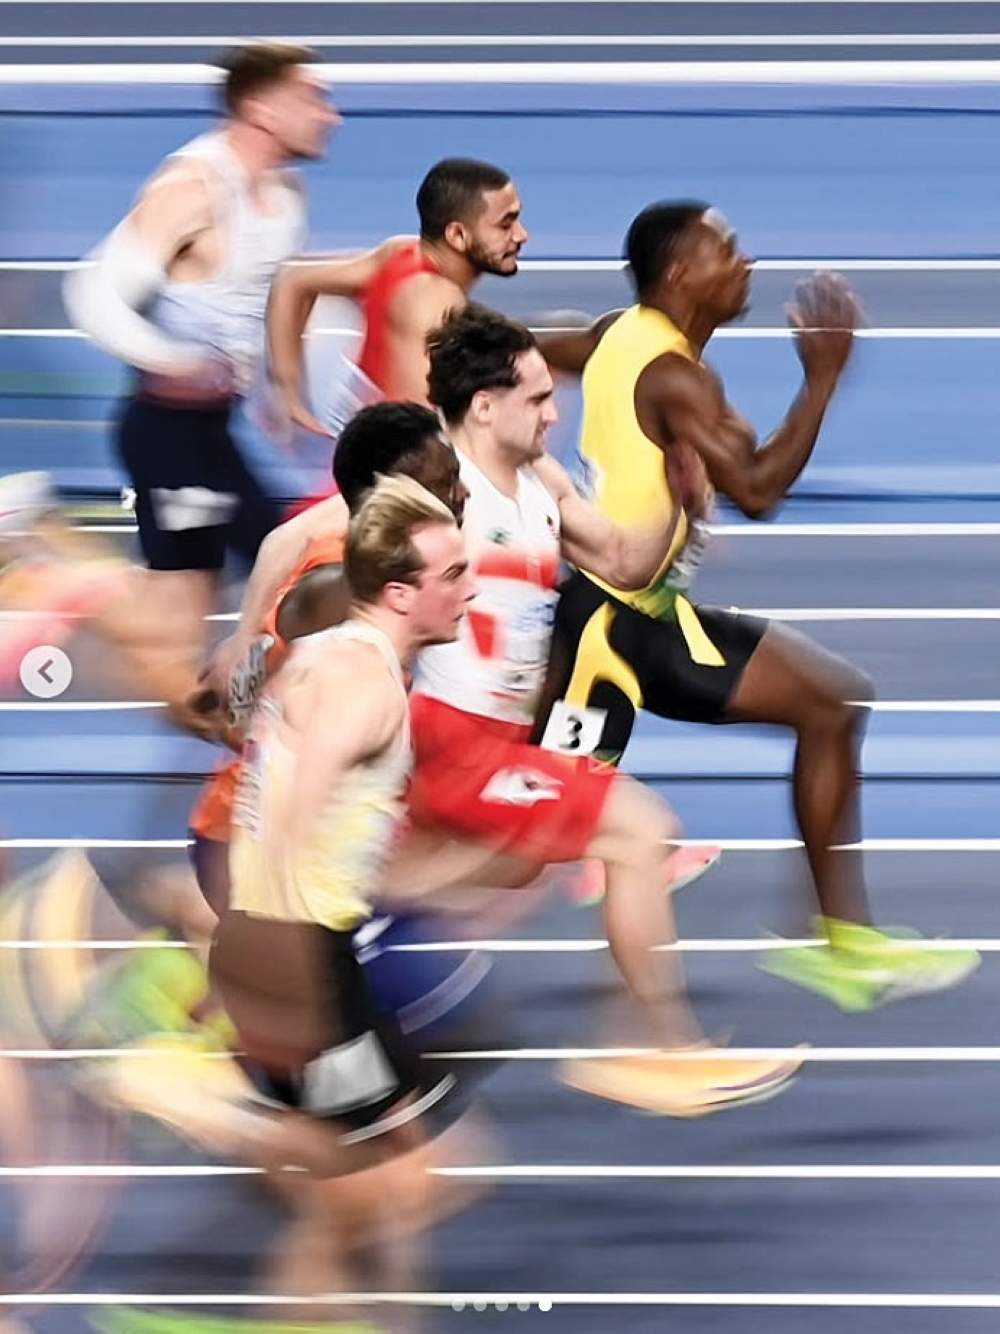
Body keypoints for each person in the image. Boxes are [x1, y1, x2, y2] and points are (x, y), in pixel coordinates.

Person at [531, 199, 980, 1010]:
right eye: (726, 251)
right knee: (506, 837)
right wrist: (822, 382)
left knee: (831, 706)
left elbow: (536, 352)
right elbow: (761, 489)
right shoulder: (674, 375)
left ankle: (843, 944)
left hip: (638, 613)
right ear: (681, 274)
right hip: (614, 630)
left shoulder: (621, 335)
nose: (746, 264)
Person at [62, 42, 340, 687]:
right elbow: (92, 297)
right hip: (166, 437)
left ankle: (241, 733)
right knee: (182, 635)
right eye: (312, 97)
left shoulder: (286, 197)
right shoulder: (190, 188)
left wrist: (280, 389)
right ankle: (52, 570)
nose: (331, 115)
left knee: (276, 577)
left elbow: (265, 302)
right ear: (261, 108)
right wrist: (175, 361)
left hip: (214, 435)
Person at [266, 156, 527, 438]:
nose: (521, 235)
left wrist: (287, 392)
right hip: (393, 471)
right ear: (457, 235)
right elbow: (424, 427)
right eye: (505, 225)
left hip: (364, 452)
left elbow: (294, 280)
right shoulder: (436, 301)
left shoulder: (401, 253)